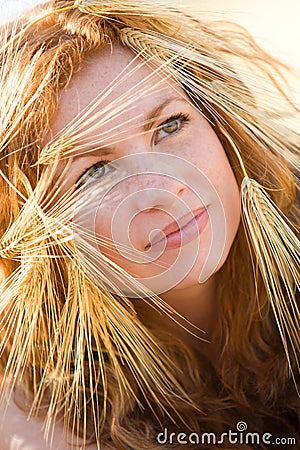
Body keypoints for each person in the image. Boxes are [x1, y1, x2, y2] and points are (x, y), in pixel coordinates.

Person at [0, 1, 299, 449]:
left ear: (220, 125)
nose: (166, 188)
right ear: (37, 229)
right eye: (94, 171)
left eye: (170, 125)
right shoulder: (28, 414)